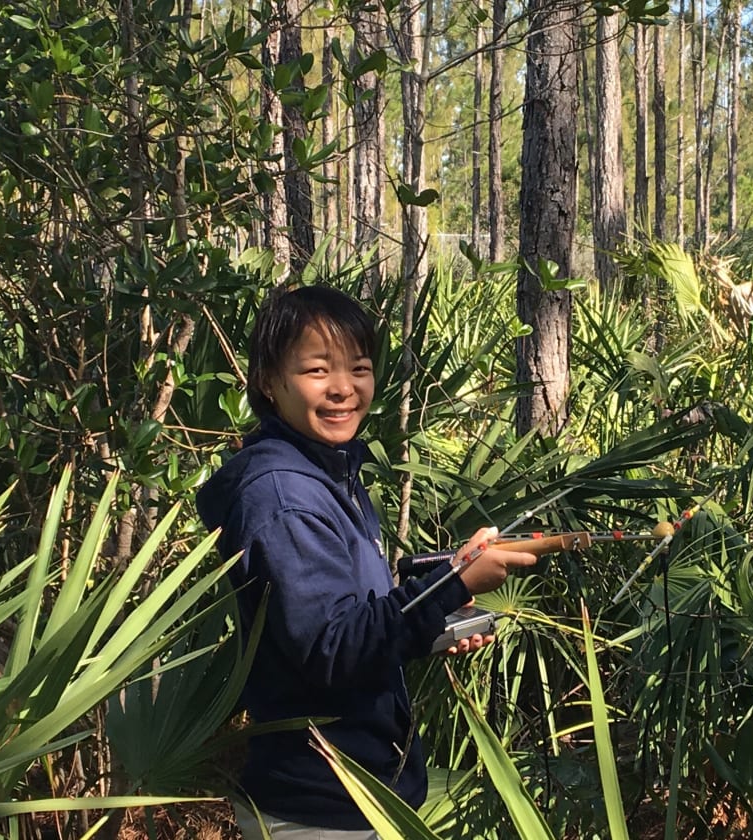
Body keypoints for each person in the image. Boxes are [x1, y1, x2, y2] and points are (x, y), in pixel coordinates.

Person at [197, 285, 538, 838]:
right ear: (267, 381)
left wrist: (439, 599)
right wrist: (451, 585)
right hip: (321, 804)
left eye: (358, 368)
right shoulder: (284, 496)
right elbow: (335, 648)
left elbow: (356, 612)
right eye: (316, 370)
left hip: (360, 789)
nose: (343, 389)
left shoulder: (328, 472)